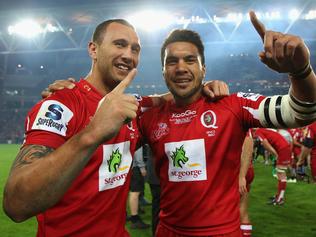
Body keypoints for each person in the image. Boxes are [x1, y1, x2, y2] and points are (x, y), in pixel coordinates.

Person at [3, 19, 228, 237]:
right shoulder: (61, 105)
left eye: (135, 49)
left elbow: (168, 98)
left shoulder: (131, 108)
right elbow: (16, 204)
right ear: (93, 49)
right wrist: (92, 133)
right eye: (119, 44)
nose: (129, 55)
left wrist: (202, 86)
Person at [138, 11, 316, 236]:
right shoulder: (150, 116)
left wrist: (300, 71)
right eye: (171, 61)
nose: (181, 67)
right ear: (163, 72)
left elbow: (300, 111)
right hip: (167, 231)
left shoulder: (233, 105)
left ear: (203, 69)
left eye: (190, 60)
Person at [253, 128, 292, 205]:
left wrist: (275, 154)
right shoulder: (263, 130)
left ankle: (280, 198)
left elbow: (265, 144)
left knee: (281, 173)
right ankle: (279, 196)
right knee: (279, 173)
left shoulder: (258, 132)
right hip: (283, 147)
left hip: (282, 148)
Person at [128, 146, 150, 229]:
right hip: (135, 167)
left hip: (130, 165)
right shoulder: (135, 133)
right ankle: (135, 219)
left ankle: (135, 212)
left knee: (134, 192)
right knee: (135, 192)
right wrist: (142, 167)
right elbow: (137, 150)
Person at [239, 131, 254, 237]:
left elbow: (248, 141)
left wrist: (242, 175)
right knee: (242, 209)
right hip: (247, 168)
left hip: (237, 170)